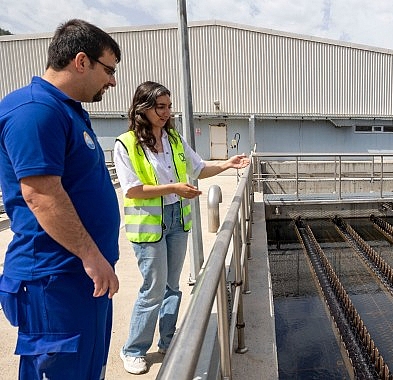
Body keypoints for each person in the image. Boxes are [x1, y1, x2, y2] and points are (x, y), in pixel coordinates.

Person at [0, 19, 121, 380]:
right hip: (56, 279)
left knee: (87, 370)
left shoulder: (66, 110)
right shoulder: (35, 110)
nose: (112, 81)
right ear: (81, 61)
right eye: (109, 69)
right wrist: (91, 256)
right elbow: (41, 195)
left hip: (82, 276)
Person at [114, 81, 250, 375]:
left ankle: (167, 339)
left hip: (177, 219)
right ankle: (133, 350)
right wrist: (173, 187)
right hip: (149, 225)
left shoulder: (174, 139)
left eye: (168, 106)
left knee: (171, 287)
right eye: (159, 107)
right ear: (143, 108)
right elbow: (133, 190)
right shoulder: (126, 144)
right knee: (153, 289)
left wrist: (227, 163)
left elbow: (199, 168)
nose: (166, 112)